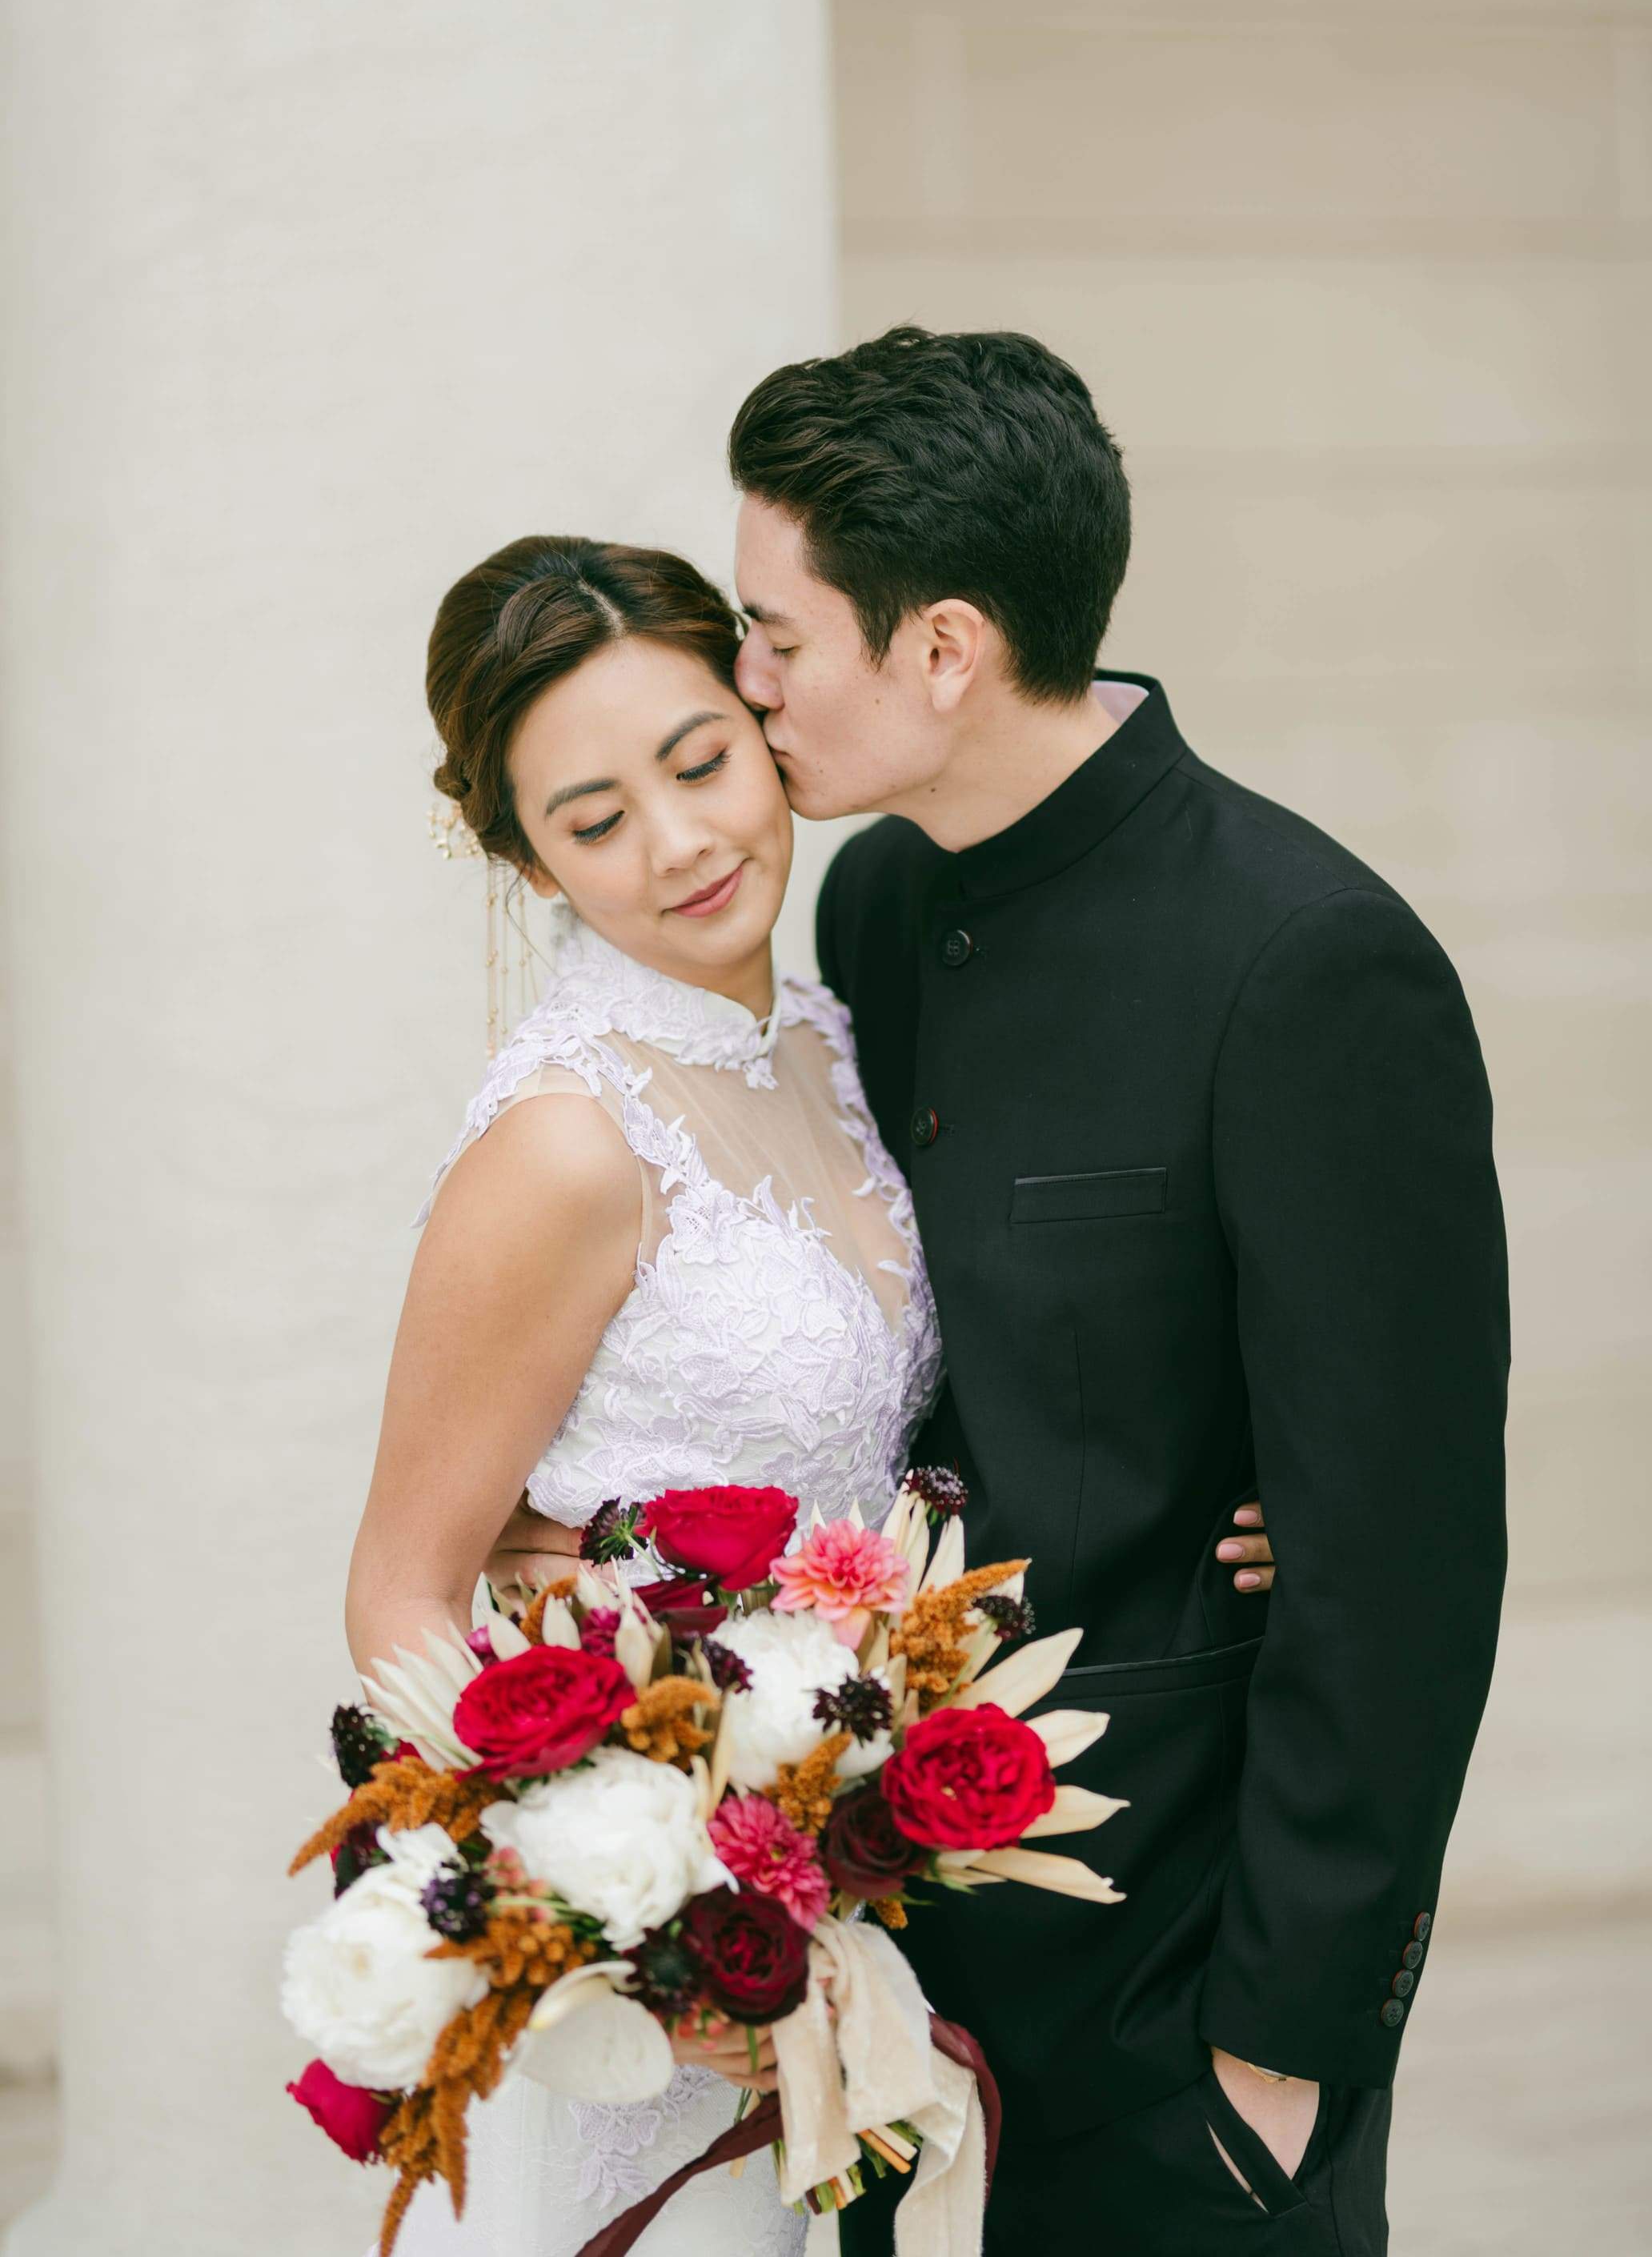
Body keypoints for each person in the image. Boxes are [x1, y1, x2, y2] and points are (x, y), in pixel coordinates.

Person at [346, 524, 1282, 2255]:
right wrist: (623, 1916)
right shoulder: (566, 1141)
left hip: (857, 1926)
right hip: (682, 1990)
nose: (682, 842)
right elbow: (407, 1592)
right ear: (527, 860)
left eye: (700, 761)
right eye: (594, 820)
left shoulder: (830, 1029)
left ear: (763, 716)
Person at [722, 325, 1509, 2255]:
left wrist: (1285, 2052)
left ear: (944, 651)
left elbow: (1400, 1560)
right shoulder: (879, 902)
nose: (747, 692)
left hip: (1180, 1993)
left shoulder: (1311, 961)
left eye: (776, 636)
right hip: (894, 1951)